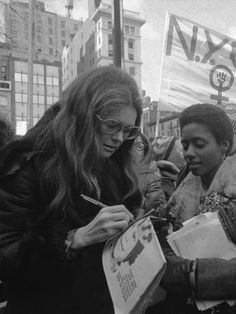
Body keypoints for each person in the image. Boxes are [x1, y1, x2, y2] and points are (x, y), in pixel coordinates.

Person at [0, 66, 144, 314]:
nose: (120, 138)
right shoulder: (31, 163)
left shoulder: (116, 165)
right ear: (85, 116)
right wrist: (72, 240)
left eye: (129, 130)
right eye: (112, 125)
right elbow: (6, 257)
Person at [147, 103, 236, 314]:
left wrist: (192, 274)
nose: (189, 153)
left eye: (199, 144)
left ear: (224, 145)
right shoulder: (184, 183)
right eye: (185, 145)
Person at [129, 132, 166, 214]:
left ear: (145, 153)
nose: (133, 150)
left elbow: (157, 209)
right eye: (129, 145)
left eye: (139, 146)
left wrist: (141, 202)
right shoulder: (111, 174)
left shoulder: (152, 179)